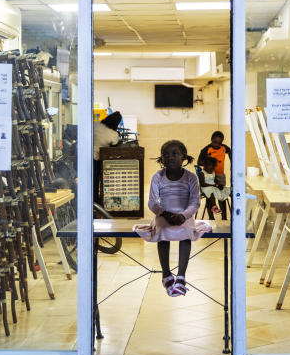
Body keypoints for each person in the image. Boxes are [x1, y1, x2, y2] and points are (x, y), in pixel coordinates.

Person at [134, 140, 212, 297]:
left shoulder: (190, 178)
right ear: (161, 159)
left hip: (185, 214)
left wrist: (183, 215)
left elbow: (195, 202)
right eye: (166, 155)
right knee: (162, 230)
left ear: (184, 157)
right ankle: (166, 273)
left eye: (175, 154)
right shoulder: (158, 177)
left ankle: (181, 276)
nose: (170, 157)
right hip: (164, 214)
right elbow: (152, 202)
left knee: (186, 232)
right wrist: (165, 213)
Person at [92, 111, 122, 206]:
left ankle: (93, 201)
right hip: (98, 159)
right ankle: (97, 202)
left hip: (87, 156)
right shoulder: (114, 135)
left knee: (92, 181)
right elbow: (115, 145)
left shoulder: (96, 125)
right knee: (99, 181)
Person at [197, 155, 230, 220]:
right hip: (205, 188)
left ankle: (223, 216)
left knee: (223, 189)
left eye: (213, 168)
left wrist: (217, 183)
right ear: (205, 166)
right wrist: (213, 185)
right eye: (210, 168)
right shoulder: (202, 173)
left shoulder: (213, 172)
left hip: (213, 187)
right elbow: (202, 184)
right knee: (211, 192)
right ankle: (214, 207)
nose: (212, 169)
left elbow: (215, 180)